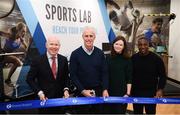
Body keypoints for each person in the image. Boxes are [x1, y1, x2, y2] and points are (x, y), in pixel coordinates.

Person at [69, 26, 109, 114]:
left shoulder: (100, 53)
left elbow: (104, 73)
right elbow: (73, 75)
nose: (88, 38)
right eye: (86, 36)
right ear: (82, 37)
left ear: (94, 37)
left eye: (91, 36)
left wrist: (105, 89)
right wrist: (83, 91)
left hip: (98, 93)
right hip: (81, 94)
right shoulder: (75, 54)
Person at [26, 36, 70, 114]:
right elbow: (29, 79)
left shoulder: (63, 60)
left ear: (59, 46)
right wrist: (39, 92)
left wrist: (66, 89)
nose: (54, 47)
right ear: (46, 45)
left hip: (61, 100)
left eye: (56, 44)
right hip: (44, 100)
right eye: (51, 44)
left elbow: (66, 77)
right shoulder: (37, 60)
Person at [131, 37, 167, 114]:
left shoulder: (157, 59)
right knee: (137, 113)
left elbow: (163, 76)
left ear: (148, 45)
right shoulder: (133, 58)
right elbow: (129, 75)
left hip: (151, 92)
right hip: (136, 92)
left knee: (151, 112)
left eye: (145, 44)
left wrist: (160, 89)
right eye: (140, 45)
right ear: (138, 46)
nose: (142, 47)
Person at [106, 36, 132, 114]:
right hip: (108, 92)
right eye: (116, 44)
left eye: (121, 45)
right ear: (113, 44)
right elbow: (105, 75)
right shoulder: (107, 57)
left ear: (124, 47)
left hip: (122, 93)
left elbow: (129, 78)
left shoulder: (128, 60)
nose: (118, 46)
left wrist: (127, 93)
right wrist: (104, 90)